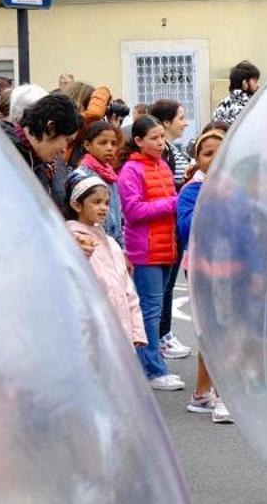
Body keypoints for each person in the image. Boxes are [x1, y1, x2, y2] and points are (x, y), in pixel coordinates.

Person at [117, 115, 185, 391]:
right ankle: (153, 370)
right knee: (149, 312)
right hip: (144, 252)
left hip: (166, 247)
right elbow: (133, 211)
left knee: (153, 310)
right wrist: (173, 203)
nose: (160, 142)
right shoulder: (131, 171)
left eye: (161, 137)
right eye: (154, 138)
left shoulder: (162, 167)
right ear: (138, 141)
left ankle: (151, 366)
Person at [178, 127, 233, 423]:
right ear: (197, 160)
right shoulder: (192, 191)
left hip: (233, 267)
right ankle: (222, 396)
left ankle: (202, 394)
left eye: (219, 152)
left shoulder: (236, 187)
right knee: (214, 330)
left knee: (221, 330)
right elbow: (186, 228)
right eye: (207, 153)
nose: (214, 159)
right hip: (203, 269)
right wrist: (213, 201)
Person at [62, 171, 145, 363]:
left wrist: (136, 331)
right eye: (96, 202)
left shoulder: (111, 244)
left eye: (107, 203)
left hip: (119, 331)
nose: (104, 208)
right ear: (76, 204)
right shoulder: (72, 241)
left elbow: (128, 290)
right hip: (92, 334)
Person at [147, 99, 195, 361]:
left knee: (165, 285)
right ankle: (161, 335)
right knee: (161, 289)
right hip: (165, 224)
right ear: (165, 123)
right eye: (180, 118)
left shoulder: (171, 150)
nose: (185, 122)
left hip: (171, 223)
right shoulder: (161, 152)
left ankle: (165, 333)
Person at [6, 91, 82, 204]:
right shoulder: (4, 155)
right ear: (50, 128)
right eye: (67, 140)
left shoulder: (37, 161)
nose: (64, 149)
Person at [73, 117, 126, 242]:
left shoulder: (111, 176)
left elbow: (118, 218)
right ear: (87, 145)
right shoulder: (81, 176)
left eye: (113, 143)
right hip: (92, 242)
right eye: (103, 143)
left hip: (112, 244)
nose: (109, 148)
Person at [212, 60, 260, 127]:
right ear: (245, 83)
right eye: (255, 81)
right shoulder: (248, 107)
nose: (258, 85)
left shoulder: (223, 104)